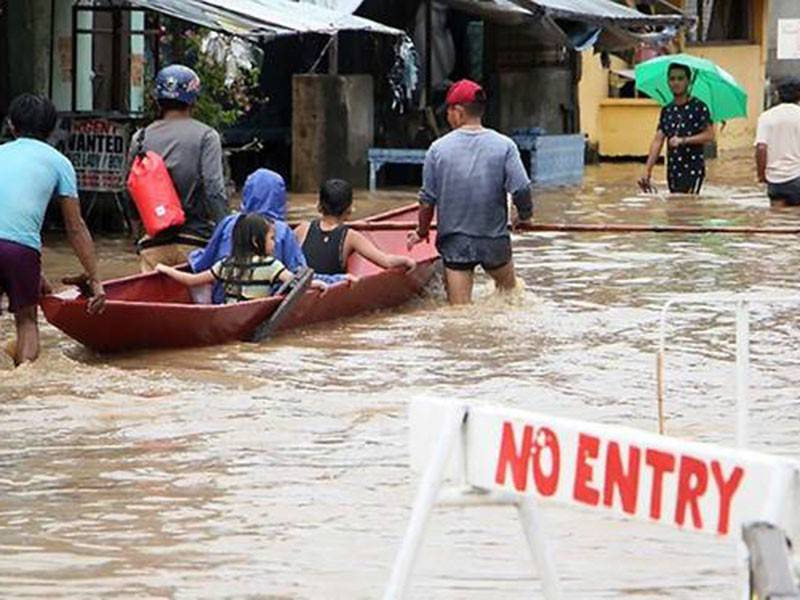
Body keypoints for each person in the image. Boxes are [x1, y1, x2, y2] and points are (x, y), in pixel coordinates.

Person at [406, 79, 533, 305]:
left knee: (460, 312)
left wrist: (422, 231)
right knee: (511, 295)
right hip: (494, 240)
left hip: (456, 243)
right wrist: (524, 217)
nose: (447, 117)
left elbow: (427, 201)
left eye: (449, 111)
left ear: (459, 112)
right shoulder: (505, 145)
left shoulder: (437, 149)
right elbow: (522, 189)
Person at [0, 94, 105, 365]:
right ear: (51, 130)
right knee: (26, 321)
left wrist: (37, 272)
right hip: (21, 251)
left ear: (12, 125)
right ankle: (26, 380)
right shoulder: (60, 163)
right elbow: (75, 226)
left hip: (19, 247)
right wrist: (94, 277)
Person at [129, 64, 228, 272]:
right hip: (195, 243)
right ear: (193, 100)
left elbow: (128, 190)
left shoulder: (140, 138)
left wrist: (136, 232)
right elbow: (214, 190)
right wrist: (224, 234)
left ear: (158, 100)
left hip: (152, 244)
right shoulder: (207, 136)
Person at [188, 168, 308, 303]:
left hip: (223, 299)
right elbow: (299, 273)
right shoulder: (281, 230)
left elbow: (204, 262)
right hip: (264, 302)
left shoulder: (228, 222)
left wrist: (193, 256)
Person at [157, 214, 325, 303]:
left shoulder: (226, 264)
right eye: (272, 238)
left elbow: (192, 280)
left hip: (226, 315)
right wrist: (318, 283)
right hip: (251, 316)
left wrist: (165, 269)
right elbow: (296, 282)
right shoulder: (271, 265)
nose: (275, 244)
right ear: (255, 241)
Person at [294, 179, 416, 277]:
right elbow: (386, 262)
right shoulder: (351, 237)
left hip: (303, 286)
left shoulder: (302, 229)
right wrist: (407, 261)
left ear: (319, 207)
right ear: (349, 210)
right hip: (329, 288)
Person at [639, 63, 715, 195]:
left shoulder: (699, 107)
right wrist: (647, 170)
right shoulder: (667, 110)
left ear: (688, 81)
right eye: (672, 79)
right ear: (668, 82)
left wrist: (683, 140)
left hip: (693, 170)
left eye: (680, 79)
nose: (676, 83)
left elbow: (709, 135)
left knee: (689, 208)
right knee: (675, 208)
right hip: (673, 170)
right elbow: (658, 140)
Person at [755, 76, 800, 206]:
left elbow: (761, 148)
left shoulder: (766, 116)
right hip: (798, 177)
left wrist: (761, 175)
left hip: (775, 181)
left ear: (778, 94)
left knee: (776, 220)